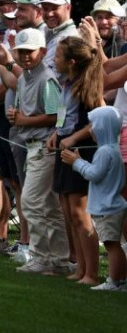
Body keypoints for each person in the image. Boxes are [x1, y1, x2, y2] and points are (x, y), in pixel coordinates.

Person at [6, 28, 70, 275]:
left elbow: (56, 116)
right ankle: (59, 261)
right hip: (32, 146)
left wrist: (22, 120)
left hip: (44, 147)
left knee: (31, 202)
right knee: (49, 207)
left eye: (29, 51)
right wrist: (16, 116)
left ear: (42, 51)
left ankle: (42, 258)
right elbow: (26, 112)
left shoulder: (46, 78)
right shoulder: (25, 77)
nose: (25, 56)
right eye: (20, 51)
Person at [46, 36, 103, 285]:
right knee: (68, 211)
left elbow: (100, 118)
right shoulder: (67, 83)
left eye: (57, 56)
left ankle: (92, 272)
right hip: (65, 147)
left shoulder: (86, 85)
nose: (53, 60)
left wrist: (73, 138)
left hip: (81, 151)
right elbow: (63, 117)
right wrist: (56, 134)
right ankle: (80, 268)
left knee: (80, 213)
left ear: (70, 61)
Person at [61, 106, 127, 291]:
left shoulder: (104, 152)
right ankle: (120, 279)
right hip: (114, 204)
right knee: (115, 244)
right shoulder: (111, 150)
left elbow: (94, 174)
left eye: (94, 125)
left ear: (103, 127)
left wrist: (77, 163)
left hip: (108, 207)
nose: (90, 129)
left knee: (111, 244)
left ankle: (114, 281)